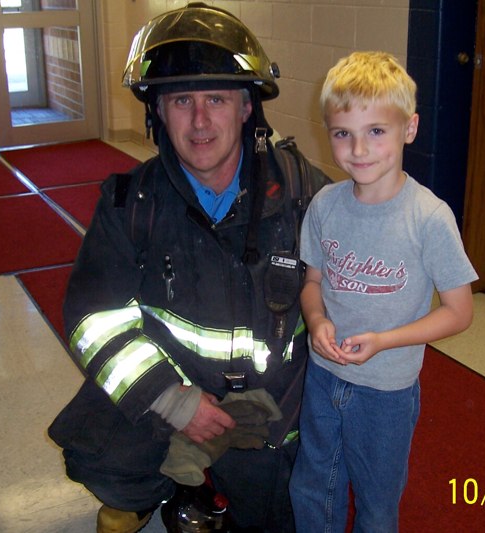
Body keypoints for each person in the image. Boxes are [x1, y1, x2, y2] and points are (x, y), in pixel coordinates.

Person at [47, 4, 329, 533]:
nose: (200, 121)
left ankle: (226, 482)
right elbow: (92, 321)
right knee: (102, 461)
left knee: (279, 512)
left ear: (247, 108)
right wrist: (173, 401)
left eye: (216, 99)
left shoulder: (302, 193)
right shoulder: (131, 205)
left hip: (268, 413)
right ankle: (168, 487)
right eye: (181, 101)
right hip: (171, 394)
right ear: (157, 112)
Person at [289, 51, 479, 532]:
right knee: (312, 485)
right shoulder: (325, 205)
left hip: (388, 390)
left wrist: (384, 340)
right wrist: (317, 321)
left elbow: (458, 312)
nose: (358, 149)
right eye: (342, 133)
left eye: (376, 131)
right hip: (324, 377)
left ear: (409, 129)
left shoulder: (429, 218)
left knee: (376, 503)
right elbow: (312, 282)